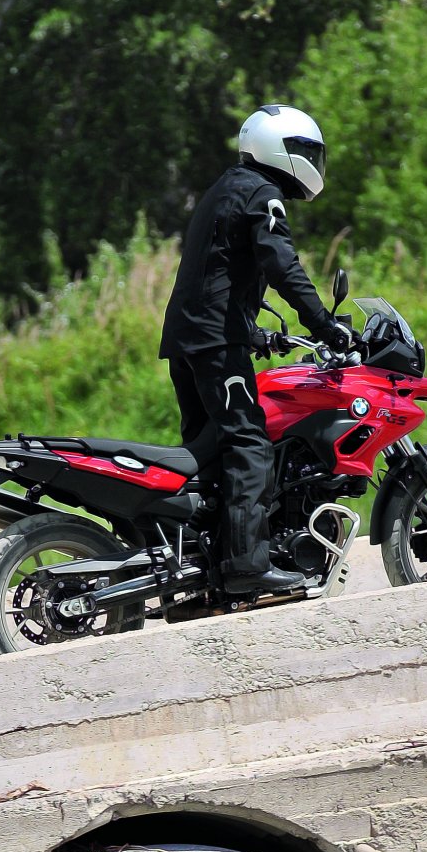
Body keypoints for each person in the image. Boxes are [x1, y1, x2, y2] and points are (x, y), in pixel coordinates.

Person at [159, 104, 353, 597]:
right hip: (215, 345)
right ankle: (247, 566)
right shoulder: (262, 194)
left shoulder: (227, 187)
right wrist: (326, 326)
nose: (311, 160)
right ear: (279, 149)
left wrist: (258, 334)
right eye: (305, 150)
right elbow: (280, 263)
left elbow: (219, 272)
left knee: (207, 457)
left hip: (191, 341)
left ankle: (203, 571)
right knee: (249, 445)